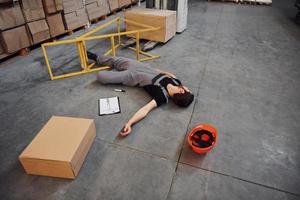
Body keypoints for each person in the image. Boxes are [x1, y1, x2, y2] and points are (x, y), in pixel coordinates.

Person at [87, 51, 194, 136]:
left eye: (187, 89)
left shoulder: (162, 96)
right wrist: (154, 69)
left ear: (182, 91)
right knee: (115, 60)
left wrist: (129, 124)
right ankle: (95, 57)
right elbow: (169, 74)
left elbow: (145, 110)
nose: (186, 87)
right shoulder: (177, 82)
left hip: (132, 76)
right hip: (141, 67)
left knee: (101, 76)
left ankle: (108, 71)